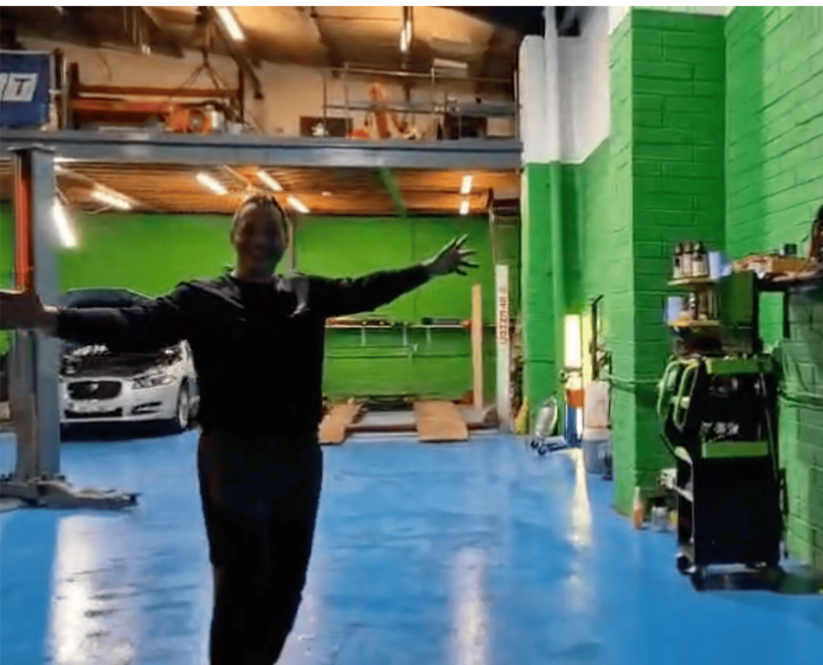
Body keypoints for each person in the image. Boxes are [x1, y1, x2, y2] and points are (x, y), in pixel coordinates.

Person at [0, 193, 477, 664]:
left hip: (297, 458)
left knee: (287, 583)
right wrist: (51, 319)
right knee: (240, 580)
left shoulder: (306, 294)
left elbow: (368, 288)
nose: (261, 238)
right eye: (251, 227)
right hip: (232, 458)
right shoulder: (200, 299)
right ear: (234, 235)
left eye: (271, 230)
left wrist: (427, 271)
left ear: (285, 241)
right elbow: (134, 323)